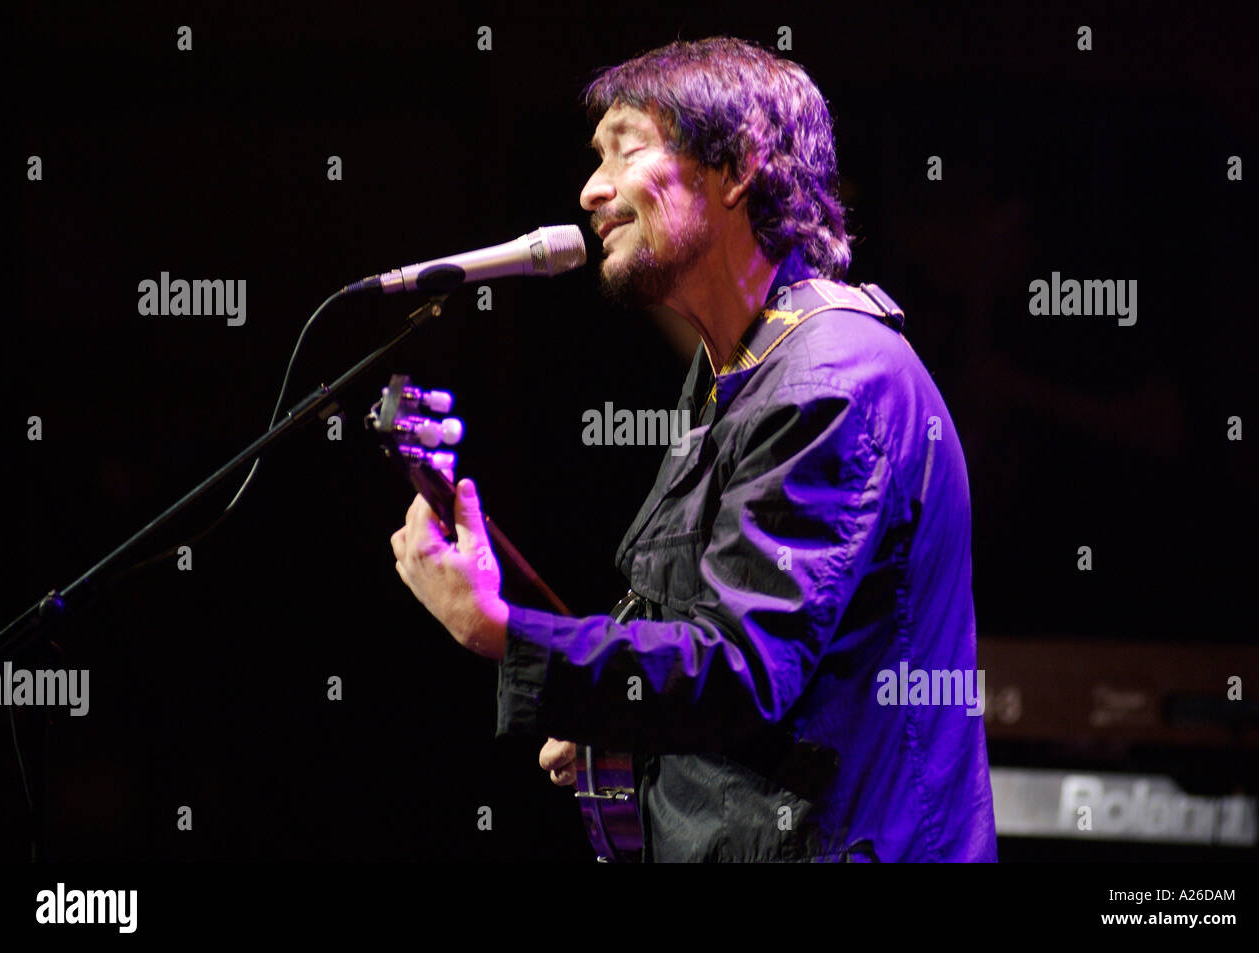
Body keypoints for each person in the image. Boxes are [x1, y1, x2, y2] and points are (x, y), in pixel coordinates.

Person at [391, 36, 998, 862]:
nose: (591, 189)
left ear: (738, 167)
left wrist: (500, 628)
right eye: (593, 157)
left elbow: (741, 669)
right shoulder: (743, 368)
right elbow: (704, 630)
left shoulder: (826, 380)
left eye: (627, 148)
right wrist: (619, 721)